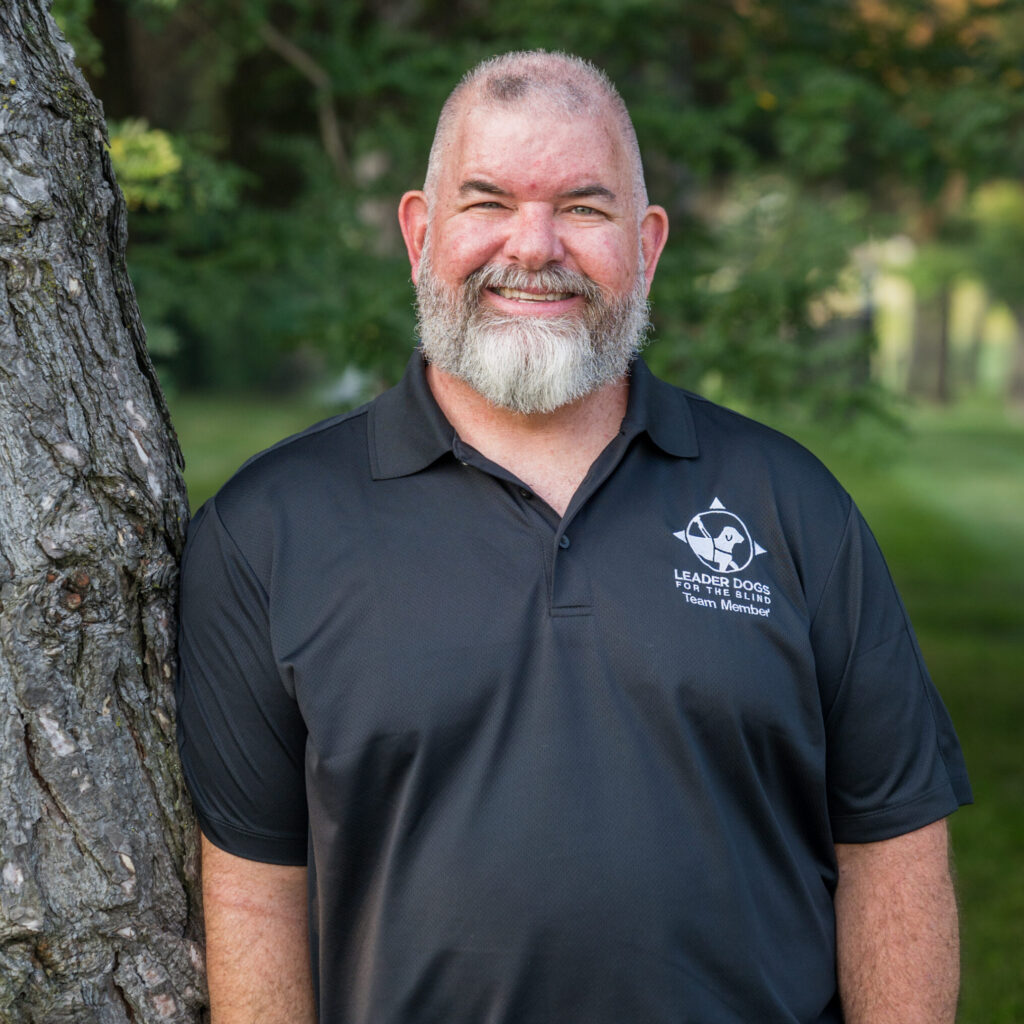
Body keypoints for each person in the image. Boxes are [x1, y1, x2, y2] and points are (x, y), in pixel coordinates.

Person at [175, 50, 972, 1024]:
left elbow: (890, 844)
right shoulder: (266, 533)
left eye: (583, 208)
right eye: (488, 202)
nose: (533, 245)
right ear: (420, 234)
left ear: (647, 245)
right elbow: (258, 892)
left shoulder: (789, 505)